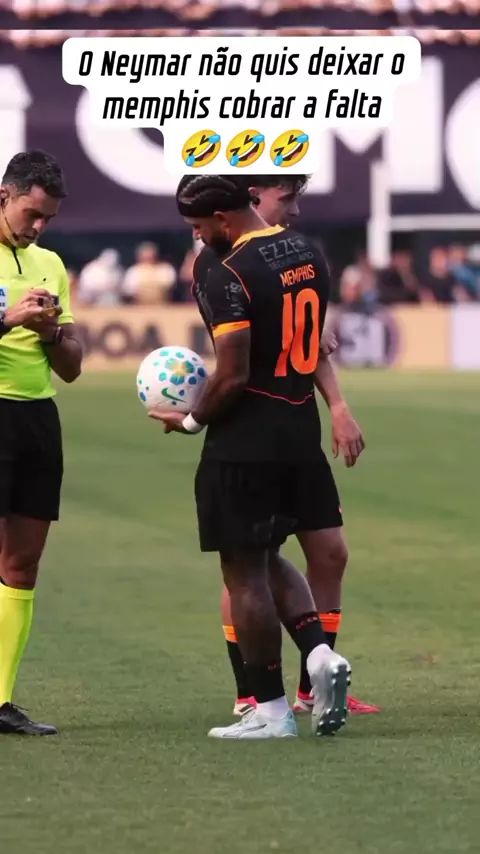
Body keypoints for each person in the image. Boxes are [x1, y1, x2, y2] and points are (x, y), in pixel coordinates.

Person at [150, 174, 352, 740]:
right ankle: (319, 654)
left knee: (243, 573)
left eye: (198, 227)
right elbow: (311, 342)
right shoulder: (307, 252)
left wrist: (191, 420)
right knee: (268, 556)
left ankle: (270, 710)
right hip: (300, 431)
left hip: (245, 442)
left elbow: (232, 374)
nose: (197, 237)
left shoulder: (227, 270)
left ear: (222, 218)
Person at [190, 174, 377, 719]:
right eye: (286, 198)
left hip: (291, 430)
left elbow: (302, 340)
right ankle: (253, 692)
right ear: (251, 198)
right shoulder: (218, 264)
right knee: (248, 563)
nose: (294, 210)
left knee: (316, 553)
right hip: (257, 428)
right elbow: (248, 357)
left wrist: (337, 404)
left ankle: (311, 683)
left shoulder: (294, 254)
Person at [0, 149, 82, 735]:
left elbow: (73, 367)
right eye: (32, 213)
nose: (38, 227)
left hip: (36, 419)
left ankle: (0, 700)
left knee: (22, 563)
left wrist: (52, 333)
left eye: (48, 218)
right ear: (4, 196)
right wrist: (8, 321)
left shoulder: (50, 264)